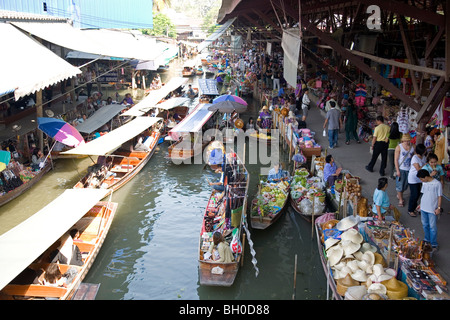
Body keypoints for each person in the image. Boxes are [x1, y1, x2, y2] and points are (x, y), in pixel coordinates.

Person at [417, 169, 442, 252]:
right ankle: (427, 239)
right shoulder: (424, 183)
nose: (421, 180)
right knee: (425, 224)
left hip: (432, 209)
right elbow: (424, 194)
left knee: (433, 227)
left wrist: (438, 208)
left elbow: (439, 196)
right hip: (423, 207)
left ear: (426, 177)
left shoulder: (437, 184)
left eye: (421, 179)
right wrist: (420, 204)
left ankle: (434, 244)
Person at [407, 143, 427, 217]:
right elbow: (418, 169)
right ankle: (410, 210)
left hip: (420, 179)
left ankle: (415, 207)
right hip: (413, 179)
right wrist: (426, 165)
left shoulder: (423, 157)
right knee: (414, 194)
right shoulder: (415, 158)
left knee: (418, 194)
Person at [394, 133, 414, 207]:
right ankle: (400, 200)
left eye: (408, 140)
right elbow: (396, 160)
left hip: (409, 169)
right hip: (401, 169)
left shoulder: (413, 147)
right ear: (402, 140)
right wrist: (397, 170)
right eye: (405, 141)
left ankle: (399, 195)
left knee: (405, 185)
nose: (407, 142)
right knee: (400, 185)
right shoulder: (398, 147)